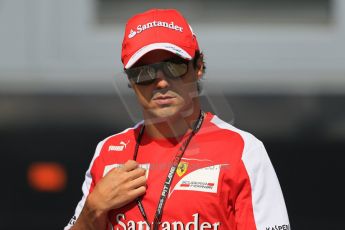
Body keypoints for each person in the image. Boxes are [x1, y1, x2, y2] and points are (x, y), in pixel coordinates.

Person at [65, 8, 290, 230]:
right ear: (130, 80)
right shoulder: (108, 151)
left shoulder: (243, 151)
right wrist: (93, 209)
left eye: (174, 67)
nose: (161, 83)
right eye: (144, 72)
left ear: (198, 67)